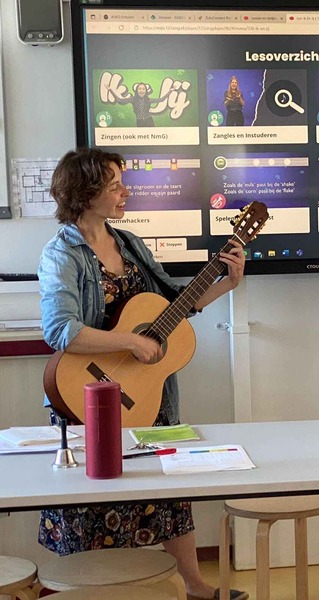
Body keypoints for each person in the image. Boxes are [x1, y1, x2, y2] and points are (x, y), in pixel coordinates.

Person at [37, 147, 249, 600]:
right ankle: (86, 592)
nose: (124, 191)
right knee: (93, 500)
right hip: (86, 395)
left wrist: (225, 283)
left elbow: (174, 303)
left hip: (148, 396)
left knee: (169, 491)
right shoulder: (62, 254)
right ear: (86, 190)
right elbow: (60, 330)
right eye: (114, 184)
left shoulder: (129, 242)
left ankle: (194, 587)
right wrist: (130, 341)